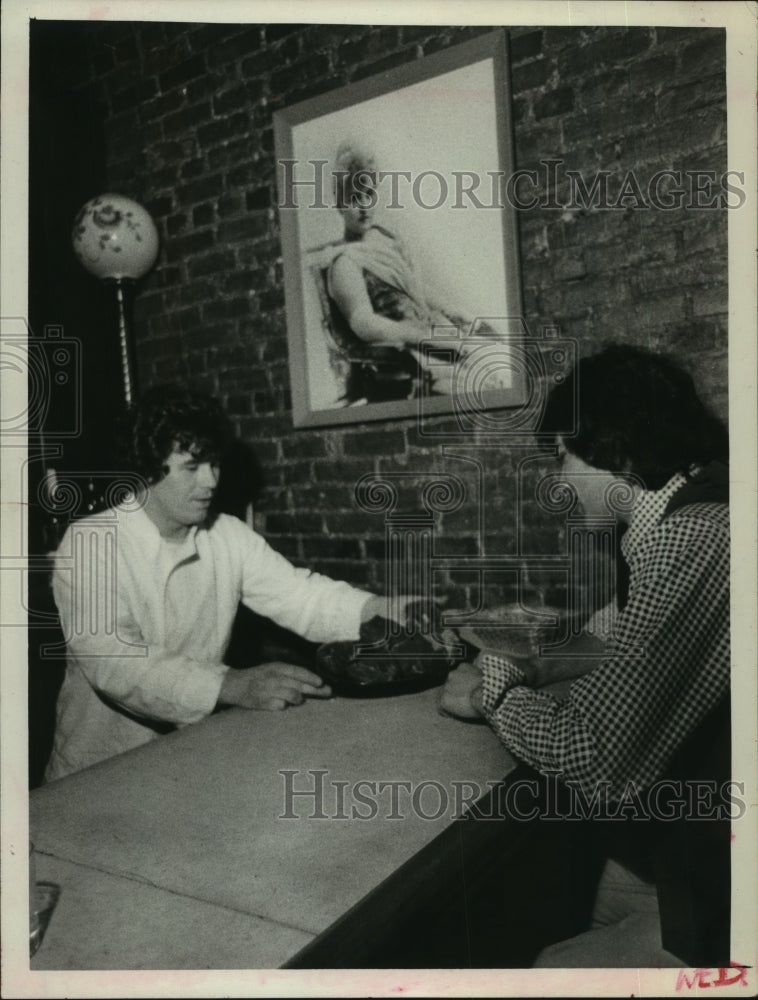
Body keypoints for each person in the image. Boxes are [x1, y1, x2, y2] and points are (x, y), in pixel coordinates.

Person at [440, 343, 730, 967]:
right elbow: (614, 633)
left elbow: (594, 759)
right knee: (593, 896)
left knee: (548, 965)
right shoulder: (681, 514)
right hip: (688, 837)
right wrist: (525, 653)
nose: (557, 481)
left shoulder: (692, 539)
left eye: (563, 457)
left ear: (615, 454)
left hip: (723, 873)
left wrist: (492, 691)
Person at [45, 387, 404, 781]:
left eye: (215, 464)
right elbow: (114, 658)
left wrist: (382, 611)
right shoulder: (90, 542)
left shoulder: (227, 535)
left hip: (190, 756)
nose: (212, 481)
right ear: (147, 468)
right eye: (193, 467)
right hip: (100, 770)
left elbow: (302, 596)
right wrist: (227, 684)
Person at [325, 141, 500, 403]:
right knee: (479, 390)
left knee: (498, 368)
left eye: (368, 194)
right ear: (339, 205)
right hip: (409, 354)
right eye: (353, 198)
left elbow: (413, 287)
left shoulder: (384, 241)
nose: (364, 206)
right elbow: (365, 324)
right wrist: (433, 341)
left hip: (435, 335)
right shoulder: (345, 263)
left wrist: (456, 312)